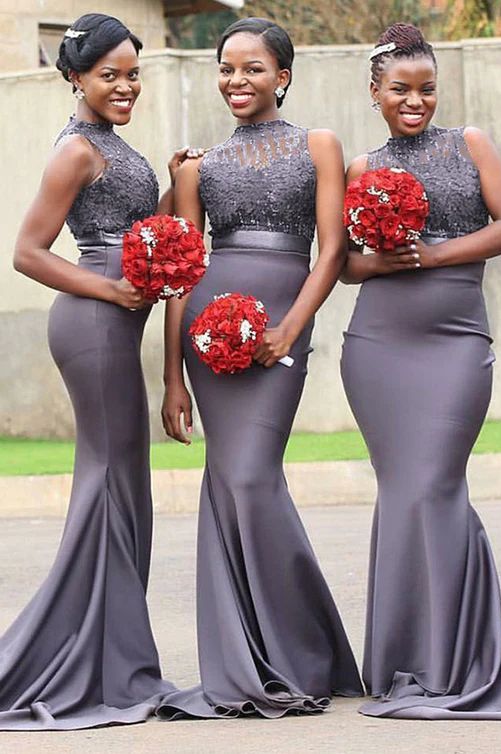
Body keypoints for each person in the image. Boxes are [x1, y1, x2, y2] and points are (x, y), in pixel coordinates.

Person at [158, 17, 363, 719]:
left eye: (252, 68)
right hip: (208, 334)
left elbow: (332, 250)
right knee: (230, 480)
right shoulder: (197, 165)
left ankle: (301, 651)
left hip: (283, 320)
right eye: (226, 69)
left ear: (283, 75)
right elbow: (182, 274)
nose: (236, 81)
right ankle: (252, 657)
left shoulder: (320, 145)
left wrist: (290, 329)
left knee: (249, 477)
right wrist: (171, 378)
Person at [341, 22, 501, 719]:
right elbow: (344, 268)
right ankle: (407, 657)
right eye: (400, 89)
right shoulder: (362, 168)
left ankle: (464, 654)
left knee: (435, 485)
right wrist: (390, 257)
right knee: (404, 492)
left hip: (456, 341)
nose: (415, 100)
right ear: (375, 93)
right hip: (377, 347)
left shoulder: (470, 143)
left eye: (426, 88)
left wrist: (432, 254)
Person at [1, 13, 193, 729]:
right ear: (76, 78)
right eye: (108, 75)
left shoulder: (109, 143)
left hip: (113, 321)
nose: (124, 86)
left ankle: (112, 654)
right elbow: (27, 251)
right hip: (92, 323)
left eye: (132, 73)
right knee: (110, 485)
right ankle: (96, 663)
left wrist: (174, 186)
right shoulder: (77, 151)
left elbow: (141, 231)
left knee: (123, 487)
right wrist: (111, 289)